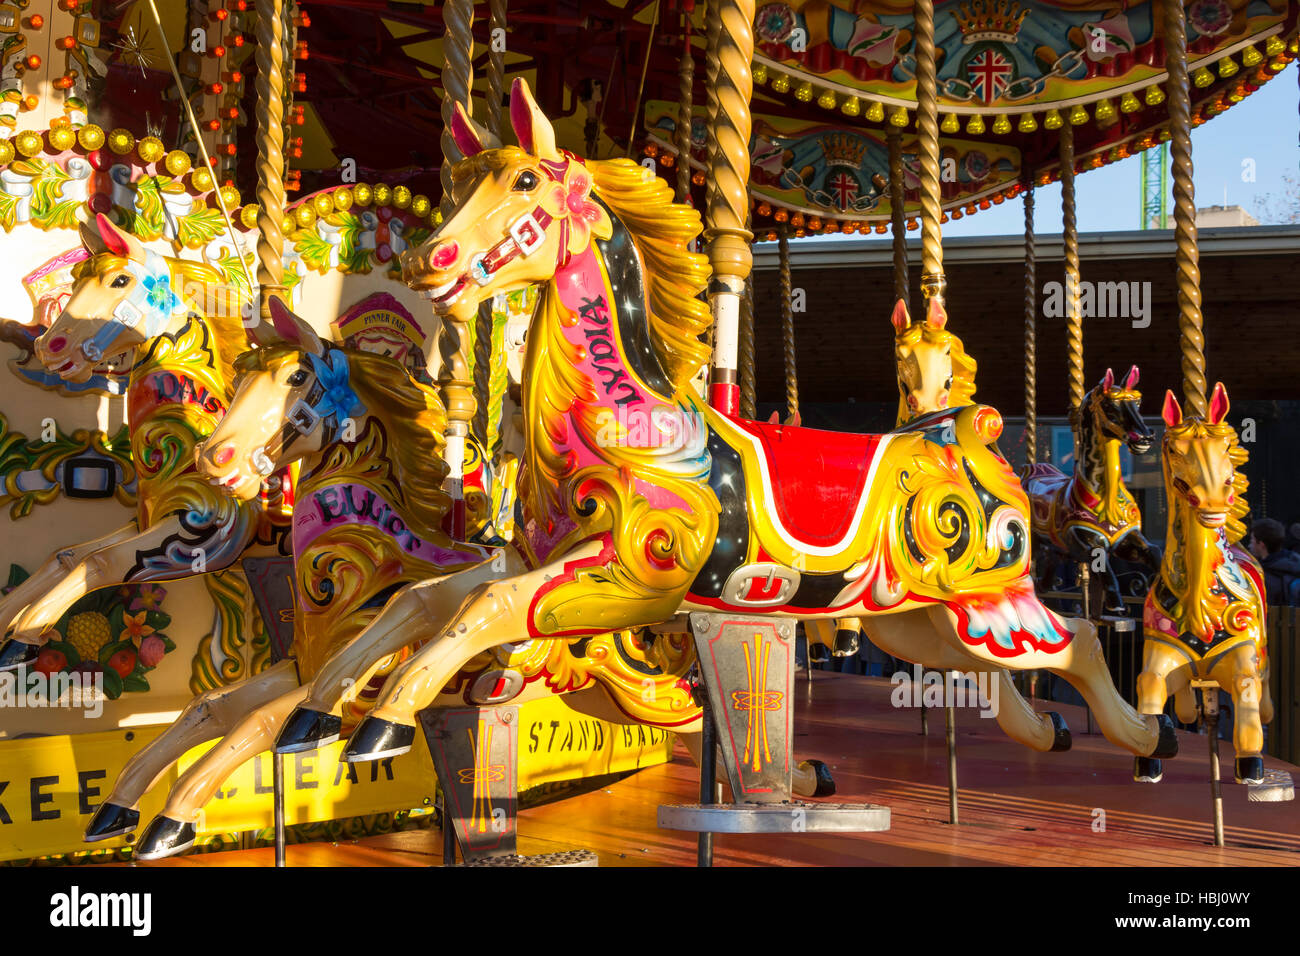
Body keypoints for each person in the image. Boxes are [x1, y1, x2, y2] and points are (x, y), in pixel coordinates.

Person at [1248, 518, 1300, 606]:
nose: (1249, 545)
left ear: (1261, 544)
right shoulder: (1294, 562)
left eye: (1252, 540)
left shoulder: (1264, 577)